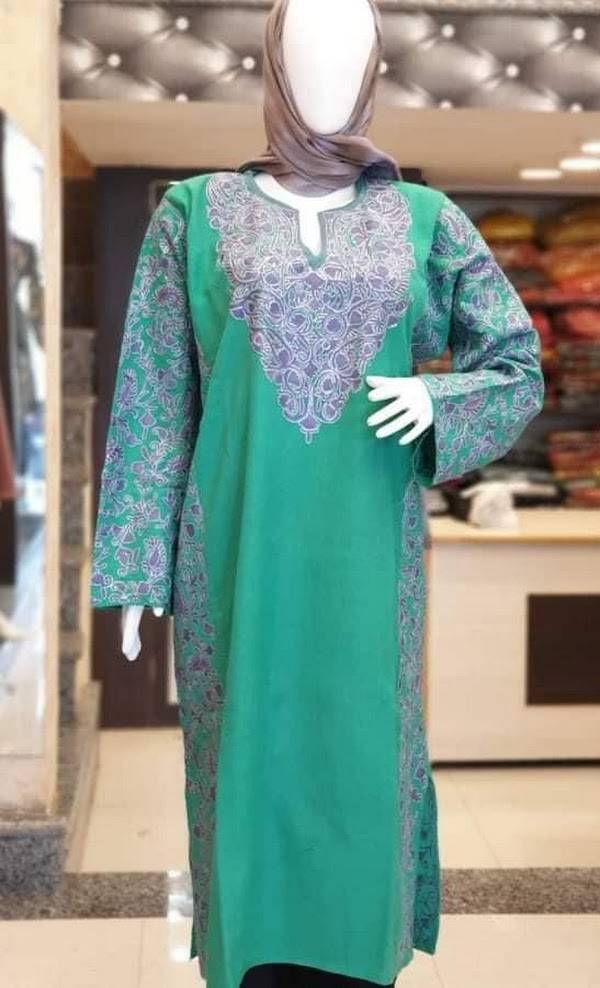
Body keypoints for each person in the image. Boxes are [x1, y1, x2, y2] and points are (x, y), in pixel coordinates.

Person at [91, 1, 545, 986]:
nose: (328, 78)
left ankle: (361, 944)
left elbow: (515, 365)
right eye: (307, 54)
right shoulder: (193, 215)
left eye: (350, 56)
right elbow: (155, 397)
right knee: (245, 759)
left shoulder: (425, 221)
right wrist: (135, 564)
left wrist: (436, 396)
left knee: (361, 754)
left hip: (366, 561)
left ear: (377, 69)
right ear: (273, 67)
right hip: (237, 555)